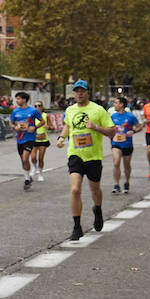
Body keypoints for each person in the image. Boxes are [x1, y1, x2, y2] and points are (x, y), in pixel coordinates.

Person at [56, 80, 117, 240]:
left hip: (93, 156)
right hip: (75, 154)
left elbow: (112, 132)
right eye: (76, 91)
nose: (79, 93)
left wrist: (95, 127)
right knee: (75, 189)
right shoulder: (70, 110)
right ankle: (77, 227)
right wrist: (61, 138)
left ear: (87, 92)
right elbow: (68, 125)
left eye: (82, 91)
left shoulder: (98, 110)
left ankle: (98, 209)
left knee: (94, 189)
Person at [9, 91, 43, 190]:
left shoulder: (33, 111)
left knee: (25, 158)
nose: (17, 100)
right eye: (16, 99)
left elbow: (42, 121)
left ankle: (27, 180)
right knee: (23, 161)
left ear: (24, 99)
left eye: (18, 98)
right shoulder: (15, 111)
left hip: (30, 138)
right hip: (20, 139)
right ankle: (28, 177)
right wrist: (14, 127)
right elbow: (11, 122)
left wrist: (35, 127)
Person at [109, 95, 140, 194]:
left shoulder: (130, 116)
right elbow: (108, 127)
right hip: (115, 143)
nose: (114, 104)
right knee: (116, 162)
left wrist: (133, 131)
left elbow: (139, 127)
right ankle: (116, 184)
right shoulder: (113, 116)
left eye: (116, 103)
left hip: (127, 144)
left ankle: (126, 182)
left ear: (121, 105)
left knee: (126, 165)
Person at [32, 100, 51, 179]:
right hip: (33, 139)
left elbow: (52, 126)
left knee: (40, 158)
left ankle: (40, 174)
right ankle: (34, 167)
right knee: (33, 157)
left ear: (42, 107)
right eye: (35, 106)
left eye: (39, 106)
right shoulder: (32, 116)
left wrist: (48, 127)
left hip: (43, 140)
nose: (37, 107)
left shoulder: (46, 116)